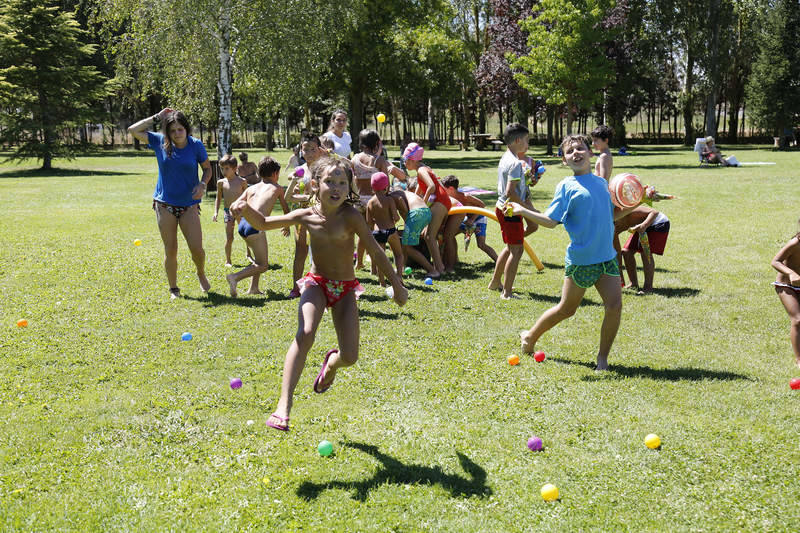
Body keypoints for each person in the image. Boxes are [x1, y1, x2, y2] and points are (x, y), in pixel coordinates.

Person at [230, 156, 408, 431]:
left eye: (341, 183)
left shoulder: (351, 216)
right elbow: (264, 222)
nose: (336, 187)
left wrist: (396, 284)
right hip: (317, 283)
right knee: (306, 332)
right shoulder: (306, 216)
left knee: (350, 356)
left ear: (348, 188)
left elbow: (373, 248)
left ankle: (331, 365)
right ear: (315, 185)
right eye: (329, 182)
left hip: (345, 289)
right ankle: (283, 406)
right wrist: (244, 208)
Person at [511, 134, 638, 370]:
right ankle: (529, 336)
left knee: (614, 306)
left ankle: (602, 358)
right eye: (570, 152)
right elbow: (550, 221)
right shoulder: (566, 187)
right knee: (566, 309)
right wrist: (521, 210)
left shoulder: (601, 183)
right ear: (564, 161)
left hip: (607, 258)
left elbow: (612, 215)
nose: (576, 153)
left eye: (580, 149)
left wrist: (638, 202)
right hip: (582, 261)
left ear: (590, 154)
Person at [127, 108, 211, 299]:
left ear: (186, 129)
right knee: (171, 248)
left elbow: (207, 169)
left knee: (197, 249)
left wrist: (202, 184)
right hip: (164, 205)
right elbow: (133, 130)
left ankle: (200, 272)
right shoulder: (159, 142)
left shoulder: (195, 145)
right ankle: (174, 289)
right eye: (172, 131)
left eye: (180, 129)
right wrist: (156, 117)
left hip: (189, 204)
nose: (177, 134)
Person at [225, 157, 290, 297]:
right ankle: (234, 277)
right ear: (275, 174)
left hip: (243, 226)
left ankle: (253, 288)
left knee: (258, 258)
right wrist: (287, 226)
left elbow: (233, 206)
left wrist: (237, 217)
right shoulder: (277, 188)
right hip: (256, 225)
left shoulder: (251, 188)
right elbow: (286, 210)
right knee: (263, 265)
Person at [487, 123, 538, 299]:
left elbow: (515, 185)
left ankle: (495, 282)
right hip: (510, 210)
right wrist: (526, 207)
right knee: (516, 251)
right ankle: (506, 292)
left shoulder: (507, 157)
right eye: (526, 139)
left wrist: (529, 181)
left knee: (528, 231)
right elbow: (510, 192)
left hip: (505, 208)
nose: (528, 143)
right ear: (517, 140)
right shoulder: (515, 162)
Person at [351, 129, 407, 269]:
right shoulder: (379, 160)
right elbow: (385, 184)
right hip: (374, 201)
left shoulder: (355, 159)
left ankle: (359, 261)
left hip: (358, 200)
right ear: (376, 144)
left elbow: (352, 179)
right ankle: (374, 267)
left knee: (362, 232)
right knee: (373, 234)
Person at [284, 134, 327, 298]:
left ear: (319, 150)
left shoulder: (325, 170)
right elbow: (290, 196)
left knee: (321, 253)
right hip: (302, 218)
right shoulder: (299, 171)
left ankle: (323, 287)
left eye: (313, 149)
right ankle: (296, 288)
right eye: (305, 149)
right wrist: (301, 195)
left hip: (320, 217)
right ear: (300, 151)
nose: (309, 152)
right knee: (300, 251)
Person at [402, 142, 451, 276]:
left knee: (429, 237)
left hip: (440, 203)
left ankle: (439, 269)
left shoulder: (421, 170)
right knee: (426, 235)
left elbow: (431, 187)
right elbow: (418, 191)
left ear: (412, 159)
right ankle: (438, 266)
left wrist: (422, 204)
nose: (405, 164)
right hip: (441, 202)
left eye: (405, 160)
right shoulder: (422, 169)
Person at [441, 175, 498, 264]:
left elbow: (482, 205)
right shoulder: (450, 198)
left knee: (481, 244)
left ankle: (499, 261)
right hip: (466, 220)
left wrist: (472, 219)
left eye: (444, 189)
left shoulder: (466, 196)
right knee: (448, 235)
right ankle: (454, 260)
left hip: (479, 217)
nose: (443, 192)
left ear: (451, 189)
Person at [615, 205, 670, 294]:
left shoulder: (628, 210)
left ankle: (648, 288)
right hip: (641, 227)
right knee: (626, 252)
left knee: (645, 253)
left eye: (615, 222)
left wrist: (644, 225)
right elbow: (617, 252)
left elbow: (654, 212)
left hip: (658, 223)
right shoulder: (612, 225)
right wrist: (620, 277)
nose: (615, 225)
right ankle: (633, 283)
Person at [388, 181, 439, 277]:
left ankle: (432, 270)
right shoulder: (404, 193)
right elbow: (405, 212)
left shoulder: (393, 196)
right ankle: (401, 267)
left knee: (407, 247)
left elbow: (404, 209)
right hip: (425, 212)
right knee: (405, 243)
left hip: (416, 214)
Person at [770, 220, 800, 368]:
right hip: (787, 286)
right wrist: (791, 273)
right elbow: (775, 261)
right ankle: (799, 360)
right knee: (798, 320)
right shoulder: (795, 243)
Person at [366, 172, 404, 285]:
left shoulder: (370, 202)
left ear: (372, 187)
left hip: (377, 232)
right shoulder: (389, 200)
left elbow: (369, 222)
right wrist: (393, 221)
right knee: (398, 254)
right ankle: (399, 277)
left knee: (380, 258)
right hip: (391, 231)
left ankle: (381, 281)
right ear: (386, 186)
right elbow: (396, 217)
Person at [213, 154, 249, 267]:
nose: (224, 171)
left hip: (241, 211)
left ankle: (249, 254)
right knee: (229, 237)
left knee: (246, 234)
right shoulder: (221, 183)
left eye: (227, 168)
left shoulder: (242, 181)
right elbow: (218, 198)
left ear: (234, 168)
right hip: (228, 212)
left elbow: (247, 197)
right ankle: (228, 260)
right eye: (222, 168)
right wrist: (216, 212)